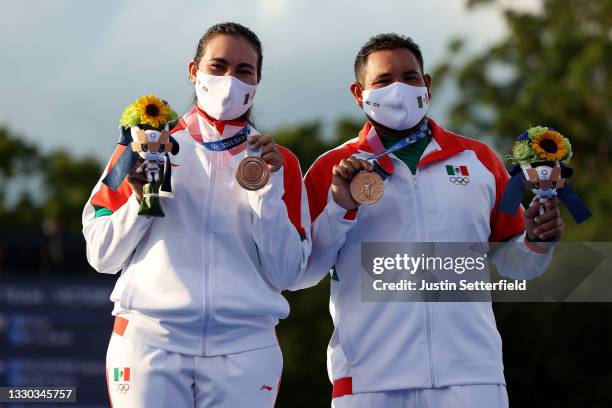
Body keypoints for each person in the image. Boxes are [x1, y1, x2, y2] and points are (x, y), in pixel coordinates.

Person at [292, 33, 564, 407]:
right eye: (384, 81)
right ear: (359, 93)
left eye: (410, 77)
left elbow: (515, 264)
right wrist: (341, 206)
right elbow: (302, 274)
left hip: (471, 378)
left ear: (427, 84)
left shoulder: (478, 159)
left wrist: (536, 241)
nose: (399, 89)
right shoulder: (330, 169)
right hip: (370, 382)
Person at [82, 22, 311, 408]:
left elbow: (288, 273)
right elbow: (101, 255)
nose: (229, 80)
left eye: (243, 70)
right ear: (194, 70)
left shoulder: (278, 162)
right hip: (149, 343)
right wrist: (141, 203)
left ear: (257, 81)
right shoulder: (145, 145)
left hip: (246, 349)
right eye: (218, 66)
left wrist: (267, 194)